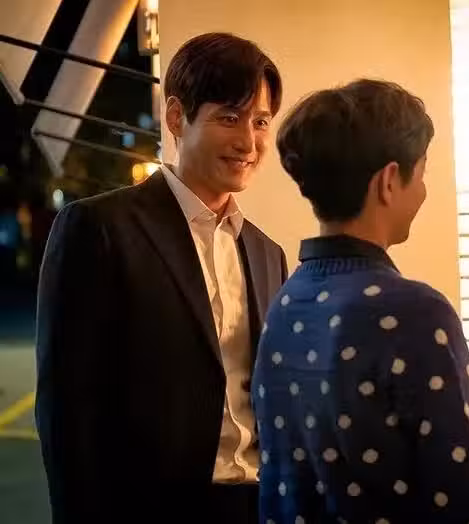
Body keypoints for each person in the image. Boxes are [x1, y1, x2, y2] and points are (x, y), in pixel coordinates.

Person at [35, 32, 286, 523]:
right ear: (176, 117)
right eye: (229, 117)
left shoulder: (267, 253)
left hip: (257, 505)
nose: (248, 142)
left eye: (260, 122)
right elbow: (67, 411)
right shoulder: (98, 228)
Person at [251, 79, 469, 524]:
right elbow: (459, 500)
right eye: (421, 173)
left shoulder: (285, 302)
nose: (423, 191)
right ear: (388, 181)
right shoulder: (417, 313)